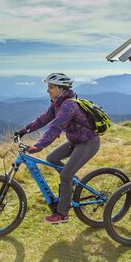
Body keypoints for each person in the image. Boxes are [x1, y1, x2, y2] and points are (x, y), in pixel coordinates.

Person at [15, 73, 100, 224]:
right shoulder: (57, 103)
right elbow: (43, 120)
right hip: (75, 141)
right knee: (52, 158)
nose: (48, 90)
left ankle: (62, 214)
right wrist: (23, 130)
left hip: (88, 143)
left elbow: (55, 128)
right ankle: (73, 182)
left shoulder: (69, 105)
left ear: (61, 89)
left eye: (51, 87)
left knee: (65, 176)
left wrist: (38, 146)